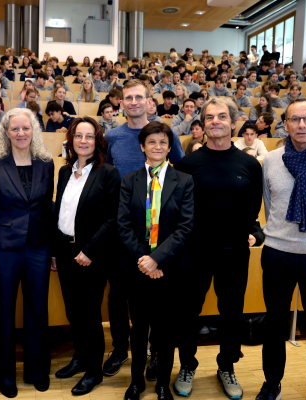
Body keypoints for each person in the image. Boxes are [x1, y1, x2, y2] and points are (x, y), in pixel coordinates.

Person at [174, 97, 262, 399]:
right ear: (202, 123)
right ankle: (187, 364)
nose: (215, 122)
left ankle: (227, 365)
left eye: (222, 116)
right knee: (188, 313)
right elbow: (179, 209)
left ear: (234, 122)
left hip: (234, 252)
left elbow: (253, 208)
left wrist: (251, 234)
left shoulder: (250, 164)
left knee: (231, 314)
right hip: (193, 252)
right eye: (209, 117)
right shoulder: (187, 164)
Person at [104, 80, 185, 377]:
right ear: (121, 103)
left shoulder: (165, 134)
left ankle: (155, 352)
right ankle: (120, 349)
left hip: (159, 231)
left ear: (150, 101)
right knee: (118, 295)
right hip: (122, 228)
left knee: (156, 296)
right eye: (129, 98)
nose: (134, 102)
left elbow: (182, 171)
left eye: (140, 97)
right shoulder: (112, 136)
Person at [0, 108, 54, 398]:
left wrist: (54, 250)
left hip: (39, 246)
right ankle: (3, 374)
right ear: (6, 132)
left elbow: (48, 210)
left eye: (26, 128)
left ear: (33, 130)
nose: (21, 134)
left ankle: (37, 371)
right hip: (3, 248)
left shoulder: (46, 163)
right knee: (3, 312)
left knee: (37, 311)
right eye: (15, 129)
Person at [256, 98, 306, 400]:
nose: (301, 125)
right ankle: (272, 383)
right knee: (274, 323)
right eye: (294, 119)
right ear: (284, 124)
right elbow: (270, 205)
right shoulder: (271, 160)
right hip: (278, 253)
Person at [119, 121, 194, 400]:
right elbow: (123, 225)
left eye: (163, 142)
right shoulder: (129, 180)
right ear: (142, 146)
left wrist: (157, 260)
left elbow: (186, 227)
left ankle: (163, 382)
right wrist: (145, 260)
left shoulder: (184, 181)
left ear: (169, 147)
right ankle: (136, 382)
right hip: (137, 268)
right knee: (138, 329)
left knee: (166, 329)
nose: (157, 147)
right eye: (152, 142)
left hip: (171, 268)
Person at [51, 117, 120, 395]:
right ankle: (80, 358)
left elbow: (113, 218)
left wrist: (89, 251)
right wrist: (56, 251)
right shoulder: (65, 172)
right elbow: (59, 214)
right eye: (79, 136)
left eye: (89, 136)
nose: (83, 141)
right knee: (73, 311)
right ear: (71, 140)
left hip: (92, 254)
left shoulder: (108, 173)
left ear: (98, 141)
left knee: (90, 314)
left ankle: (94, 371)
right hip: (66, 252)